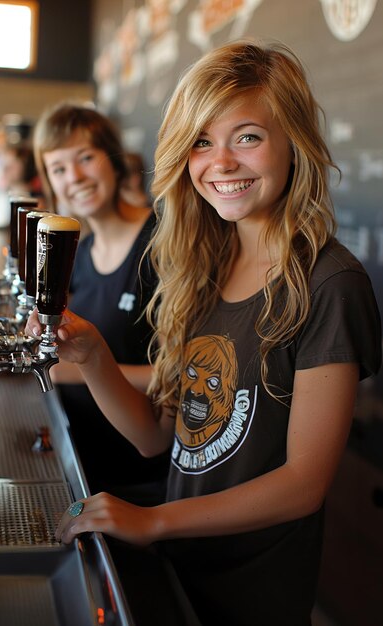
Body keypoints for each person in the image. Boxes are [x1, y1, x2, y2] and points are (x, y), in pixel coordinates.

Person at [27, 41, 381, 626]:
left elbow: (302, 484)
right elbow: (157, 436)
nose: (220, 162)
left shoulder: (331, 283)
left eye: (247, 136)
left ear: (294, 141)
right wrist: (93, 358)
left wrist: (153, 519)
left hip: (252, 591)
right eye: (201, 141)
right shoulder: (200, 268)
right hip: (180, 565)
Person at [32, 101, 170, 504]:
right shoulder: (82, 252)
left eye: (85, 158)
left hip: (138, 477)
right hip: (83, 460)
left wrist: (80, 372)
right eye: (58, 168)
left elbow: (187, 374)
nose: (73, 177)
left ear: (114, 160)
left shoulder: (163, 242)